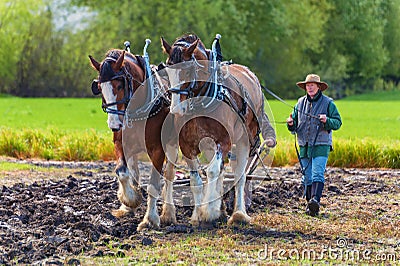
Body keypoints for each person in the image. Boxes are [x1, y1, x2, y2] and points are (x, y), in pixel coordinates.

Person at [286, 74, 342, 216]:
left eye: (312, 85)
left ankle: (315, 200)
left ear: (318, 87)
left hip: (321, 144)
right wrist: (291, 124)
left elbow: (338, 123)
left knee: (317, 173)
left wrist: (327, 120)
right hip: (304, 145)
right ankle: (309, 205)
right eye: (307, 85)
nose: (309, 87)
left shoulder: (328, 103)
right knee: (307, 177)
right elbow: (294, 125)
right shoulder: (299, 103)